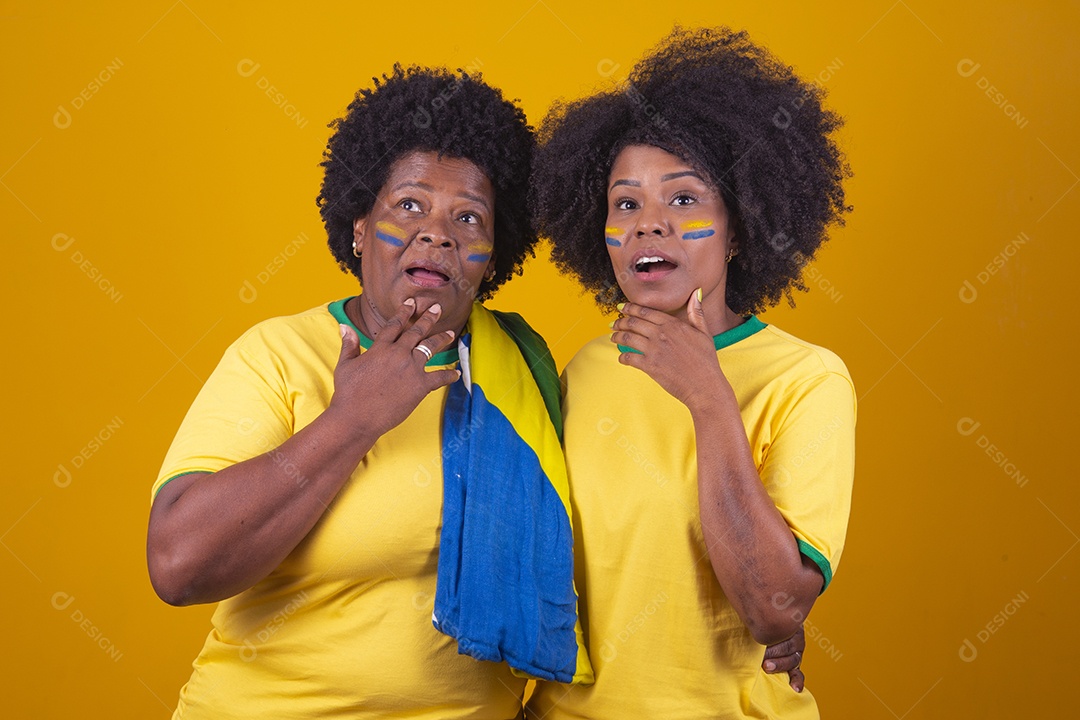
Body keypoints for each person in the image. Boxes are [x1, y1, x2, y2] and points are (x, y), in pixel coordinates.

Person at [146, 65, 590, 719]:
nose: (437, 232)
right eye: (409, 205)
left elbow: (593, 555)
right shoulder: (279, 354)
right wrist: (352, 419)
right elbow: (179, 564)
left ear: (493, 257)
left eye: (468, 217)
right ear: (360, 228)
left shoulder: (522, 369)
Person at [526, 26, 855, 718]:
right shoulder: (583, 370)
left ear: (738, 228)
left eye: (683, 199)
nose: (650, 225)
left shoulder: (807, 380)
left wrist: (709, 395)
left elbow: (772, 609)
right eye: (626, 203)